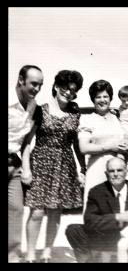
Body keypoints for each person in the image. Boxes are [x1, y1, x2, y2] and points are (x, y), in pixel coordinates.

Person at [21, 70, 86, 263]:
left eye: (73, 90)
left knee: (56, 210)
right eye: (65, 87)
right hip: (40, 162)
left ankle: (48, 251)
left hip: (65, 165)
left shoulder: (75, 114)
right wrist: (26, 168)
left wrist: (82, 169)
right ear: (56, 86)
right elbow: (26, 142)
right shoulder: (40, 109)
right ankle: (32, 255)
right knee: (37, 211)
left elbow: (77, 145)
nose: (68, 92)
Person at [65, 157, 128, 263]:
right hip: (106, 238)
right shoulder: (96, 192)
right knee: (73, 230)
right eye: (111, 171)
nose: (116, 174)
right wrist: (117, 217)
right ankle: (89, 261)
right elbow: (89, 221)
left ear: (127, 172)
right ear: (106, 173)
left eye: (119, 170)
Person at [8, 65, 44, 262]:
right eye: (33, 84)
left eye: (40, 85)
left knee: (16, 210)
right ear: (21, 80)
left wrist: (27, 167)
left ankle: (12, 257)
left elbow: (27, 141)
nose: (37, 89)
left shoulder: (33, 106)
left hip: (15, 163)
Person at [78, 79, 128, 211]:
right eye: (98, 97)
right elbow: (83, 147)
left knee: (115, 210)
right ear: (93, 99)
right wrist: (109, 147)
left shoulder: (117, 117)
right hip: (96, 169)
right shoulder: (87, 119)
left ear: (110, 98)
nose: (102, 100)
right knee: (95, 210)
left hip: (117, 171)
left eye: (105, 96)